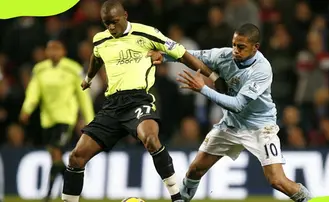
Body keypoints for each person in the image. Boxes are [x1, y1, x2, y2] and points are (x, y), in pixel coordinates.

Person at [60, 1, 226, 202]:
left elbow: (182, 54)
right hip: (112, 105)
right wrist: (88, 79)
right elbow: (96, 58)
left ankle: (177, 198)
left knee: (150, 139)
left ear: (125, 16)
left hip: (138, 100)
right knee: (76, 157)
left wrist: (214, 77)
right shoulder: (100, 40)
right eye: (106, 24)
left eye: (114, 22)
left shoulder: (147, 33)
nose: (111, 27)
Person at [150, 23, 312, 202]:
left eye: (241, 47)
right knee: (195, 169)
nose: (235, 50)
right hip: (231, 125)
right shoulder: (223, 55)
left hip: (260, 128)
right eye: (234, 44)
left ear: (255, 47)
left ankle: (310, 200)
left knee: (277, 180)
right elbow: (189, 55)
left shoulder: (261, 70)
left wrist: (203, 89)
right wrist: (163, 56)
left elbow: (238, 104)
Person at [19, 40, 94, 202]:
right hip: (47, 120)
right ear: (46, 52)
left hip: (66, 118)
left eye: (57, 49)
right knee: (56, 158)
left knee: (56, 153)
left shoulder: (73, 69)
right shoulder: (40, 69)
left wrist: (90, 119)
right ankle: (73, 186)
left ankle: (48, 194)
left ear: (63, 51)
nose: (53, 52)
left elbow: (83, 96)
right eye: (50, 49)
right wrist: (27, 109)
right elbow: (33, 91)